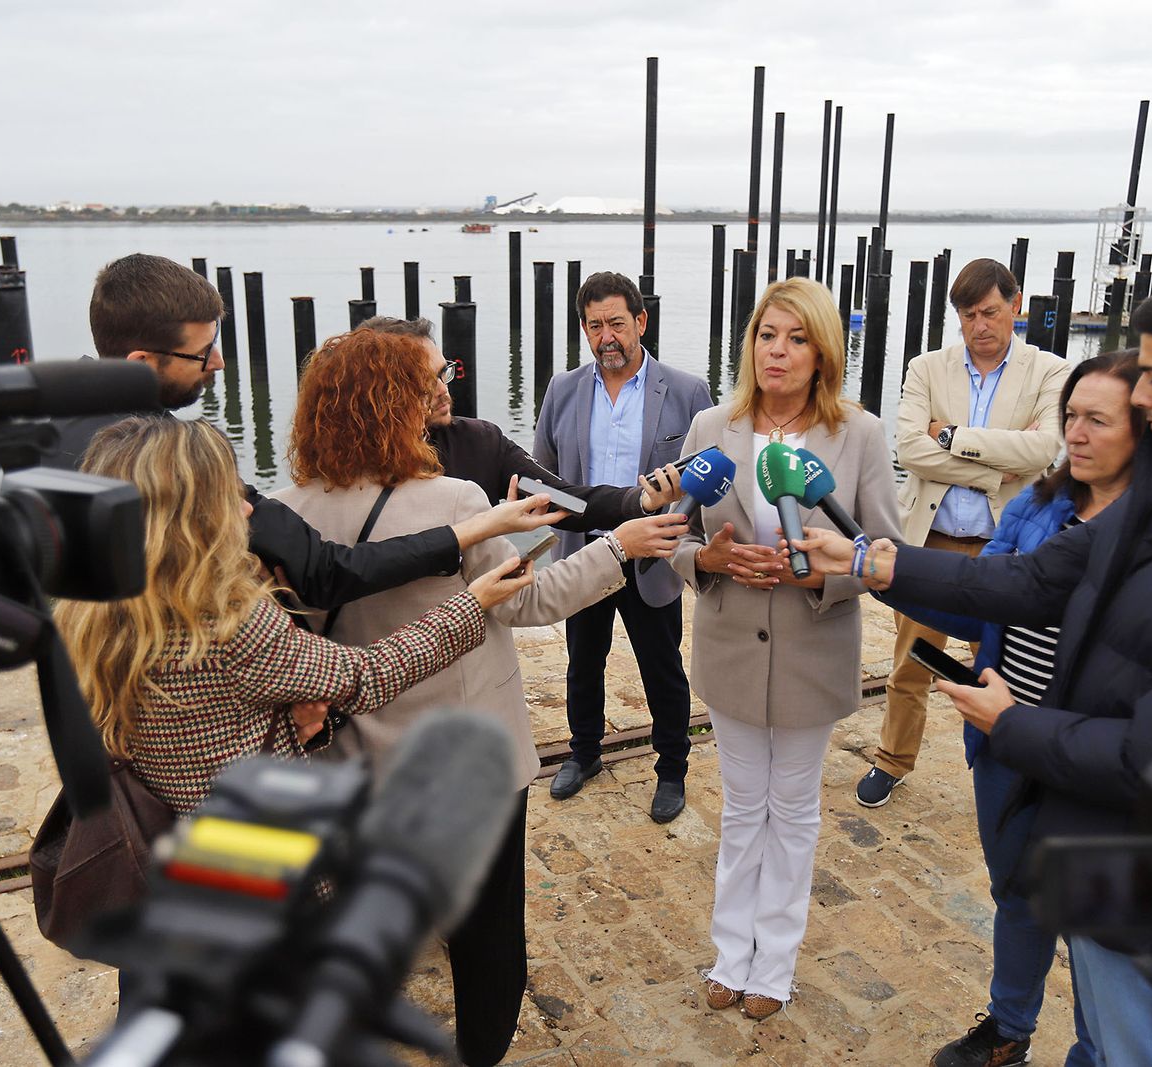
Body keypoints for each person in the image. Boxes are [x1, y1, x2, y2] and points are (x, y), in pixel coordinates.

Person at [795, 264, 1152, 1064]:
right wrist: (877, 563)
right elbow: (1033, 579)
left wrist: (1015, 724)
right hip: (1111, 850)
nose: (1140, 396)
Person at [271, 328, 687, 1067]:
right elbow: (530, 602)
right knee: (488, 932)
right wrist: (621, 544)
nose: (444, 389)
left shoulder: (285, 510)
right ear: (390, 400)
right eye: (431, 377)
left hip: (349, 759)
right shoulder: (455, 500)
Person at [54, 416, 535, 816]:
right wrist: (473, 603)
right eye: (224, 493)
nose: (246, 507)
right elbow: (366, 676)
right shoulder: (226, 624)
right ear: (183, 517)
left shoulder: (83, 618)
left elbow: (203, 735)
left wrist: (285, 728)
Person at [48, 253, 558, 614]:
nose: (220, 363)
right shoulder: (173, 459)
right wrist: (477, 527)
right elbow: (325, 572)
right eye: (202, 352)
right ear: (140, 364)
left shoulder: (41, 432)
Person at [899, 351, 1145, 1067]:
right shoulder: (1039, 504)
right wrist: (871, 572)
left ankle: (1097, 1051)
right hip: (1004, 740)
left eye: (1098, 419)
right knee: (1016, 891)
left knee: (1095, 928)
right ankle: (1009, 1028)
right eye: (1070, 416)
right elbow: (980, 597)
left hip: (1090, 755)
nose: (1077, 433)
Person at [666, 277, 901, 1021]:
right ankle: (730, 954)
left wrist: (821, 572)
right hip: (731, 642)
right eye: (769, 334)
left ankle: (776, 964)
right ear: (752, 343)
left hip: (813, 645)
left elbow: (885, 548)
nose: (779, 350)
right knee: (741, 808)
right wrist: (711, 561)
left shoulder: (858, 433)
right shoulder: (711, 426)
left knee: (793, 809)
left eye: (798, 338)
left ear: (823, 351)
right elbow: (676, 534)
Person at [862, 259, 1069, 809]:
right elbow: (908, 448)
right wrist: (994, 465)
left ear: (1016, 305)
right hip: (931, 540)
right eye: (968, 314)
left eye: (991, 312)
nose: (979, 324)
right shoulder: (927, 368)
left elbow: (1044, 448)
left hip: (1006, 548)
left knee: (1003, 666)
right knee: (910, 662)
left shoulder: (1051, 371)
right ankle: (892, 760)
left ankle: (1007, 765)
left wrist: (950, 436)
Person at [532, 272, 713, 822]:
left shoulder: (686, 391)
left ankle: (672, 770)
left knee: (662, 669)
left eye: (615, 323)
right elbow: (540, 472)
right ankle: (583, 754)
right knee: (583, 664)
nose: (605, 336)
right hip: (586, 556)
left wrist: (677, 534)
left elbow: (705, 482)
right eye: (594, 326)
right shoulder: (563, 390)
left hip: (652, 559)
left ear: (640, 322)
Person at [361, 315, 685, 531]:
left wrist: (640, 500)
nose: (443, 390)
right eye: (425, 380)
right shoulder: (348, 462)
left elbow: (564, 498)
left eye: (442, 373)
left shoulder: (480, 442)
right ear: (386, 387)